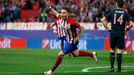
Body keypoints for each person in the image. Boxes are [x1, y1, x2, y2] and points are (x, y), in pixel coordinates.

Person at [44, 7, 98, 75]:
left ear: (68, 13)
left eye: (64, 13)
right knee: (76, 54)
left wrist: (77, 38)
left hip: (72, 42)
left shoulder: (72, 22)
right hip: (67, 40)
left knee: (60, 55)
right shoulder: (61, 17)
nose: (62, 14)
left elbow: (82, 28)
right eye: (61, 12)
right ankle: (92, 54)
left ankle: (51, 71)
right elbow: (56, 13)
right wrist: (50, 7)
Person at [101, 0, 133, 72]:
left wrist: (108, 28)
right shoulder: (125, 13)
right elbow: (131, 24)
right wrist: (126, 29)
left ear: (116, 4)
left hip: (113, 32)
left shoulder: (113, 11)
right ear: (123, 5)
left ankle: (112, 68)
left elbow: (102, 20)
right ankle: (119, 69)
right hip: (121, 33)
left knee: (112, 49)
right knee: (119, 50)